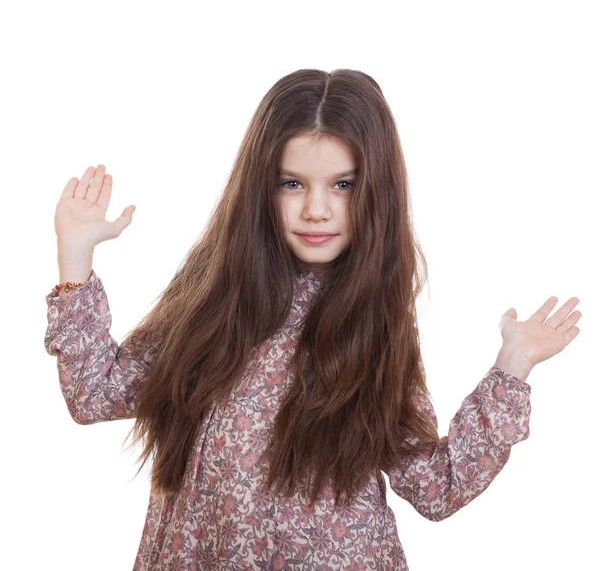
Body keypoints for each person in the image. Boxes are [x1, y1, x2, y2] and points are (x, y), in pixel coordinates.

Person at [44, 69, 582, 571]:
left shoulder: (378, 329)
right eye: (292, 184)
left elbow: (435, 488)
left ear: (376, 192)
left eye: (342, 185)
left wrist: (512, 368)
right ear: (261, 188)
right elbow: (95, 396)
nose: (316, 210)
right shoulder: (211, 301)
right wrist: (76, 256)